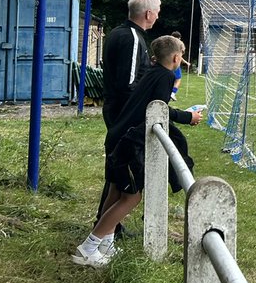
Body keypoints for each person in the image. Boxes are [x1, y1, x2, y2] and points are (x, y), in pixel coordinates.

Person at [77, 36, 202, 267]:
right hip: (130, 142)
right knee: (132, 197)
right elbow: (160, 110)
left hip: (119, 136)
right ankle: (89, 247)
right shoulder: (165, 76)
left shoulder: (153, 72)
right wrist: (188, 117)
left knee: (115, 192)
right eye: (181, 56)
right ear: (176, 58)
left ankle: (106, 241)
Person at [101, 0, 160, 128]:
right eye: (157, 12)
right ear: (148, 14)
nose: (158, 16)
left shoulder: (117, 32)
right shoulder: (132, 38)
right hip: (125, 112)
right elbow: (128, 84)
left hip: (113, 107)